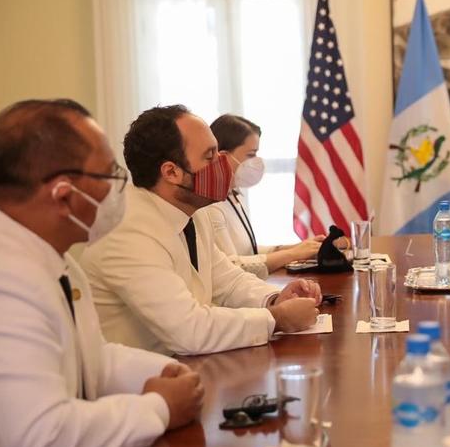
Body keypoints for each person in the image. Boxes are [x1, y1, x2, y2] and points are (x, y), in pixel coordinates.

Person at [0, 100, 203, 447]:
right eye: (108, 174)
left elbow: (90, 357)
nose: (119, 188)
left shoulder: (53, 256)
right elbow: (38, 439)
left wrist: (169, 372)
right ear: (64, 194)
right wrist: (158, 408)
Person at [80, 105, 321, 356]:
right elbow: (188, 331)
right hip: (139, 384)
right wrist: (276, 318)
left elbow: (227, 281)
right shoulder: (126, 231)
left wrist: (275, 298)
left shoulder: (193, 209)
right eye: (210, 156)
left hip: (187, 369)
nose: (223, 163)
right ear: (171, 172)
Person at [202, 114, 328, 279]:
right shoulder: (210, 205)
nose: (257, 161)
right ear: (223, 157)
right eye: (251, 154)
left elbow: (248, 250)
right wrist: (293, 255)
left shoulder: (233, 195)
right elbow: (232, 266)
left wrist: (297, 248)